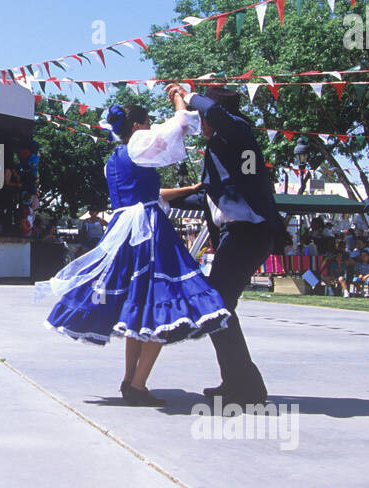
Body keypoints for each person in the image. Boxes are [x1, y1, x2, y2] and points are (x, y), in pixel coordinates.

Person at [36, 102, 231, 407]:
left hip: (125, 228)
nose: (152, 127)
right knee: (161, 301)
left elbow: (147, 193)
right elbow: (179, 125)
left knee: (139, 305)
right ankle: (138, 385)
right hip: (147, 230)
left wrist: (187, 189)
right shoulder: (140, 143)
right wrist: (181, 100)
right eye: (149, 122)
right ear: (138, 127)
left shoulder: (113, 159)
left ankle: (131, 381)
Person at [165, 84, 283, 407]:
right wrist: (157, 197)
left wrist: (189, 96)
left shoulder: (238, 129)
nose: (198, 122)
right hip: (236, 236)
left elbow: (217, 114)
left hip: (249, 232)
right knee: (217, 308)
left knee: (216, 306)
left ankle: (248, 387)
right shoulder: (220, 143)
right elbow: (206, 194)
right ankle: (236, 381)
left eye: (201, 116)